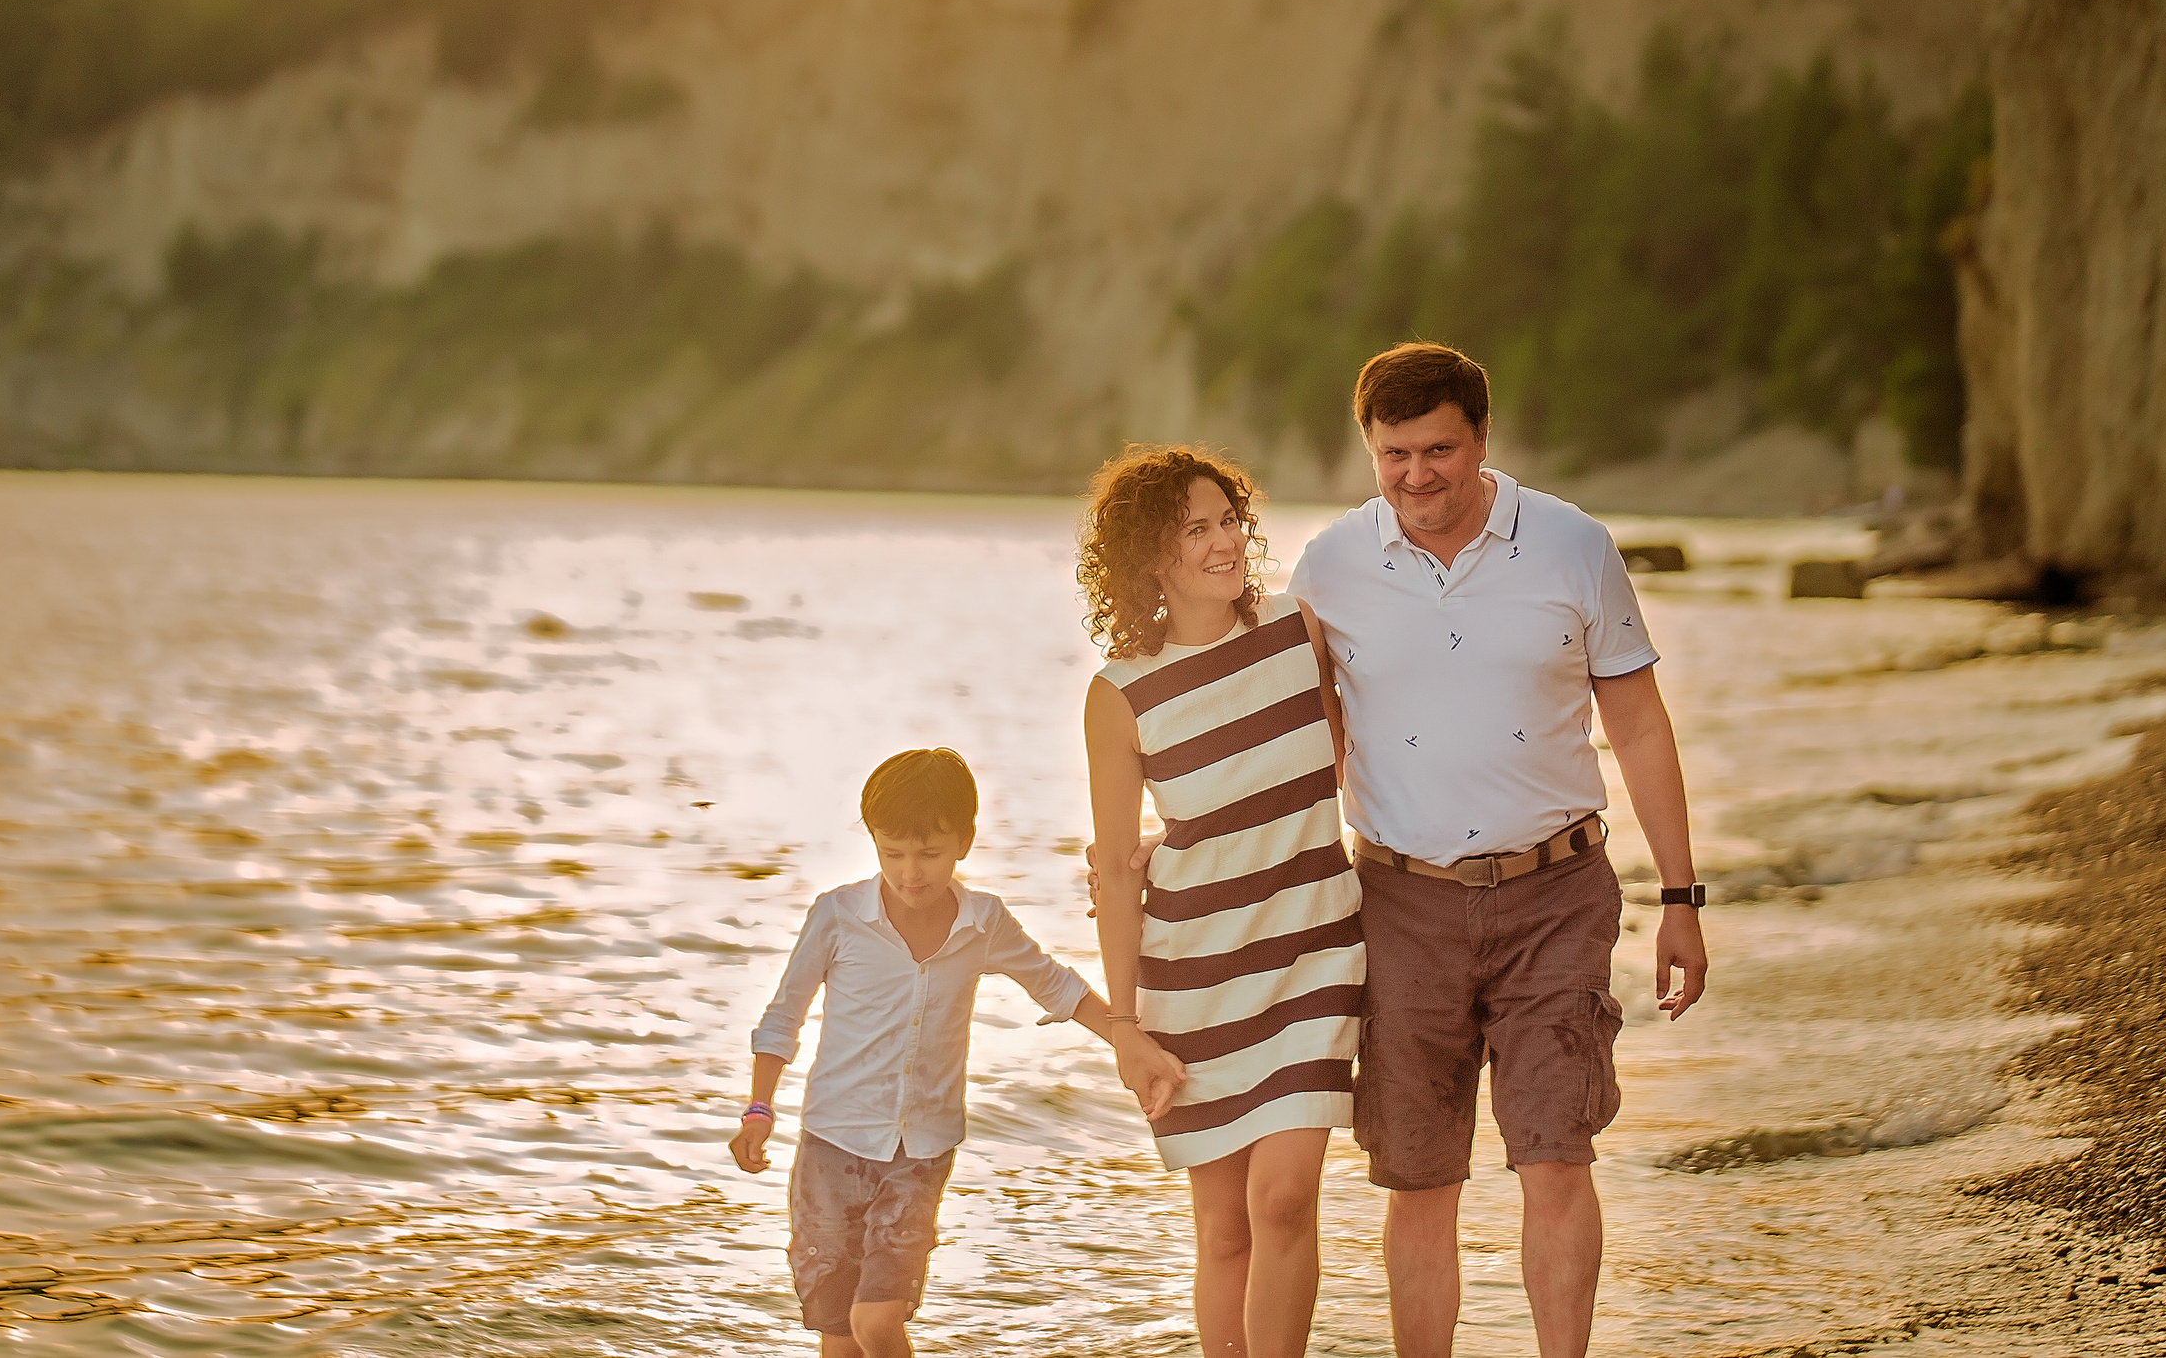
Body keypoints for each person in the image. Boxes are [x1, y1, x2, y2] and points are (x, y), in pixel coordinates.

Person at [1288, 341, 1709, 1358]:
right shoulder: (1331, 566)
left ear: (1482, 438)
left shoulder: (1571, 547)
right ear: (1368, 449)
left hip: (1555, 895)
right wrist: (1170, 849)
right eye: (1393, 455)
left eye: (1438, 450)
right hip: (1396, 905)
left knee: (1555, 1156)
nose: (1416, 477)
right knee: (1418, 1179)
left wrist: (1683, 896)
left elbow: (1642, 726)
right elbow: (1308, 746)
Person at [730, 747, 1183, 1358]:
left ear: (965, 842)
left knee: (877, 1323)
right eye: (893, 854)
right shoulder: (838, 916)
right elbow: (784, 1015)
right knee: (838, 1337)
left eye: (930, 854)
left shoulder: (983, 922)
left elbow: (1057, 986)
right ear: (873, 841)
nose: (911, 872)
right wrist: (759, 1108)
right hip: (830, 1148)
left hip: (921, 1152)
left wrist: (1130, 1039)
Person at [1079, 445, 1367, 1358]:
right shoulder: (1119, 694)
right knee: (1225, 1227)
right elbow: (1118, 867)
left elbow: (1349, 764)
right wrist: (1125, 1021)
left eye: (1226, 520)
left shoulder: (1300, 632)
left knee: (1283, 1194)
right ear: (1147, 562)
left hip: (1316, 948)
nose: (1221, 544)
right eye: (1192, 531)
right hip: (1193, 974)